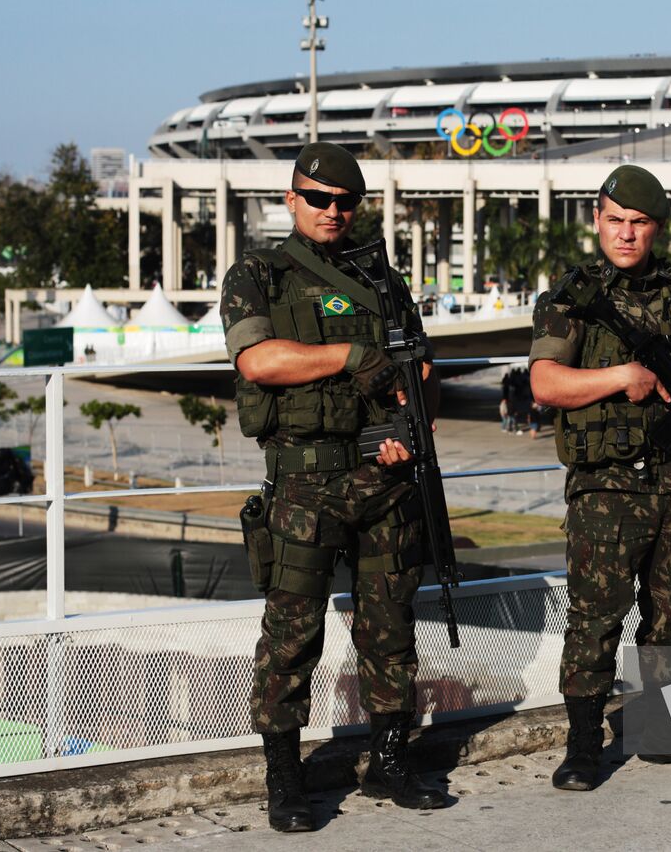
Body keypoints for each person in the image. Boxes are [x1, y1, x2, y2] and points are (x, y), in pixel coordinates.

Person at [221, 143, 446, 831]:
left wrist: (411, 424)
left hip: (385, 475)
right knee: (291, 635)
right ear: (291, 199)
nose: (332, 211)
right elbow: (259, 360)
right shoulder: (258, 273)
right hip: (305, 484)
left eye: (345, 202)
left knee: (391, 624)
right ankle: (285, 778)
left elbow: (421, 369)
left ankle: (389, 757)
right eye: (318, 198)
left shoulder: (381, 277)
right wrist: (350, 355)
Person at [529, 164, 671, 791]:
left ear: (655, 227)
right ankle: (582, 746)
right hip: (607, 486)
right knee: (596, 616)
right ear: (596, 220)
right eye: (615, 221)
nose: (625, 234)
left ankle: (663, 732)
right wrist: (620, 377)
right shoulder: (568, 297)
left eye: (639, 223)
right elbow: (545, 383)